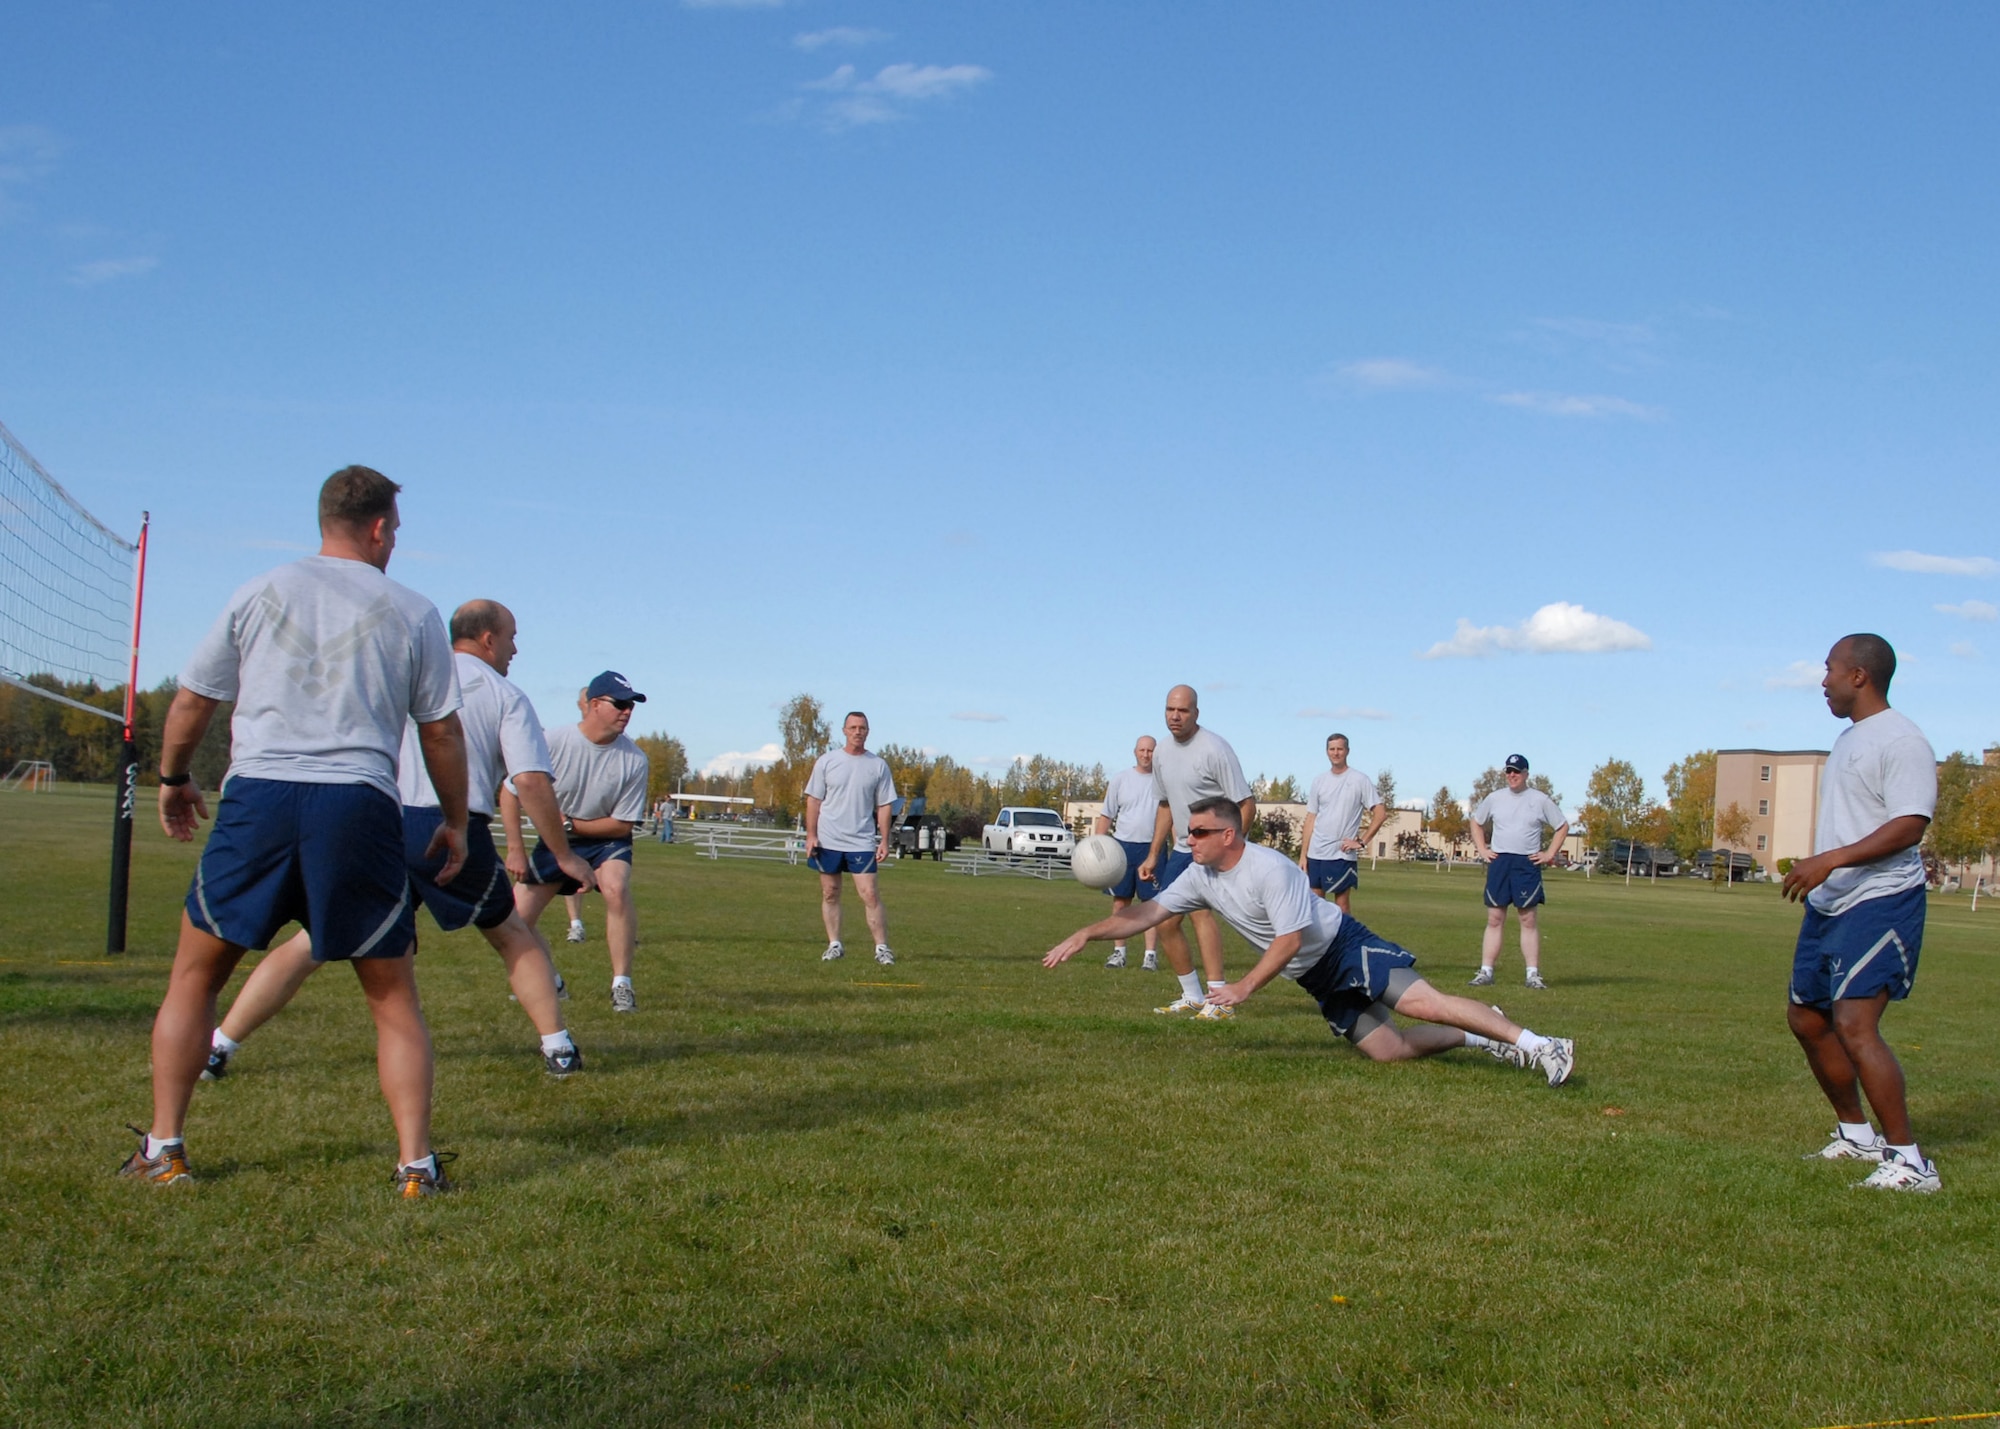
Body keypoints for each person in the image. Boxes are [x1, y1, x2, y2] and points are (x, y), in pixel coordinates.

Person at [123, 465, 468, 1196]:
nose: (395, 543)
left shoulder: (260, 589)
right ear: (378, 528)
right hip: (357, 804)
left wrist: (171, 777)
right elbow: (439, 732)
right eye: (396, 531)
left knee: (195, 976)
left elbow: (192, 701)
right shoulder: (413, 610)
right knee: (392, 997)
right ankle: (414, 1166)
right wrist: (458, 819)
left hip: (261, 797)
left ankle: (166, 1147)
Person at [200, 600, 597, 1081]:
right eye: (512, 636)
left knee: (314, 942)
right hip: (448, 826)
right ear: (488, 639)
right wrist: (563, 855)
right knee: (513, 935)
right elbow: (530, 780)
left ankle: (220, 1046)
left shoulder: (400, 674)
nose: (516, 648)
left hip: (375, 823)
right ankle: (559, 1050)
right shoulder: (504, 695)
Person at [1045, 797, 1575, 1083]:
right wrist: (1088, 932)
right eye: (1189, 832)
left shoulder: (1270, 869)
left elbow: (1291, 939)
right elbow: (1146, 915)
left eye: (1199, 833)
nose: (1190, 840)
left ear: (1229, 834)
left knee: (1427, 1004)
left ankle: (1542, 1045)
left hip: (1343, 945)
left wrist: (1246, 987)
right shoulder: (1198, 877)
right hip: (1317, 976)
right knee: (1389, 1052)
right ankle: (1485, 1034)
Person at [1784, 634, 1940, 1193]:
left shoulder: (1902, 740)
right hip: (1832, 902)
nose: (1821, 680)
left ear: (1859, 676)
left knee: (1854, 1023)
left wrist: (1831, 859)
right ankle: (1857, 1135)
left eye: (1829, 668)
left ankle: (1911, 1163)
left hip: (1882, 900)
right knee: (1806, 1017)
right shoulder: (1849, 739)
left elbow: (1910, 824)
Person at [504, 671, 652, 1012]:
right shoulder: (552, 741)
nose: (627, 712)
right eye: (620, 704)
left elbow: (621, 825)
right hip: (557, 842)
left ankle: (622, 985)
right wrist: (515, 848)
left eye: (631, 706)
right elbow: (510, 792)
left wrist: (571, 824)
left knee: (615, 887)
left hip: (605, 841)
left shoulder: (635, 759)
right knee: (514, 919)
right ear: (595, 705)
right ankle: (551, 982)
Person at [1138, 685, 1254, 1019]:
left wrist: (1231, 848)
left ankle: (1220, 1003)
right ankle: (1192, 995)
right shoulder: (1160, 752)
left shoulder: (1215, 749)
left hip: (1214, 849)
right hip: (1182, 850)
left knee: (1200, 913)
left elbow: (1247, 804)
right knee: (1164, 920)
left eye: (1183, 711)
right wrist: (1152, 854)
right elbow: (1165, 806)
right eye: (1170, 709)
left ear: (1196, 714)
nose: (1175, 716)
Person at [1467, 755, 1568, 989]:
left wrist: (1549, 854)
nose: (1512, 776)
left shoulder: (1540, 800)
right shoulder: (1494, 798)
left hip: (1526, 864)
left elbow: (1562, 826)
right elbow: (1476, 821)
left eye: (1517, 772)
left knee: (1528, 919)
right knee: (1494, 918)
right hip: (1500, 862)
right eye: (1509, 771)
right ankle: (1486, 971)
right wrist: (1482, 849)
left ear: (1526, 774)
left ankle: (1532, 974)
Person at [805, 711, 897, 965]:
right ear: (844, 731)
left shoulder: (878, 766)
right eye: (853, 727)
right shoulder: (827, 761)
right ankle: (835, 944)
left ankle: (882, 948)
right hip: (828, 840)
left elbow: (885, 805)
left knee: (869, 894)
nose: (858, 732)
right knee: (830, 892)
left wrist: (884, 840)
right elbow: (813, 800)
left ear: (868, 732)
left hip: (861, 841)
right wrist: (811, 835)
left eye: (862, 728)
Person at [1298, 733, 1389, 914]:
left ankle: (1346, 941)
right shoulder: (1319, 781)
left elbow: (1380, 814)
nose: (1336, 753)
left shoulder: (1359, 780)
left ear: (1347, 751)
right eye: (1332, 749)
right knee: (1315, 904)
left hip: (1341, 854)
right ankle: (1321, 942)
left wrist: (1361, 842)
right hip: (1316, 853)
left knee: (1342, 905)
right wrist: (1303, 855)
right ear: (1327, 752)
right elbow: (1311, 818)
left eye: (1340, 749)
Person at [1094, 736, 1163, 970]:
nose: (1146, 754)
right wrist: (1098, 847)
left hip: (1152, 848)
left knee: (1152, 904)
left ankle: (1150, 957)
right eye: (1142, 750)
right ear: (1135, 752)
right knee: (1121, 902)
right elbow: (1107, 815)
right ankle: (1118, 953)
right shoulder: (1121, 779)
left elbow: (1170, 817)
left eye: (1151, 750)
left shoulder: (1163, 781)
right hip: (1122, 848)